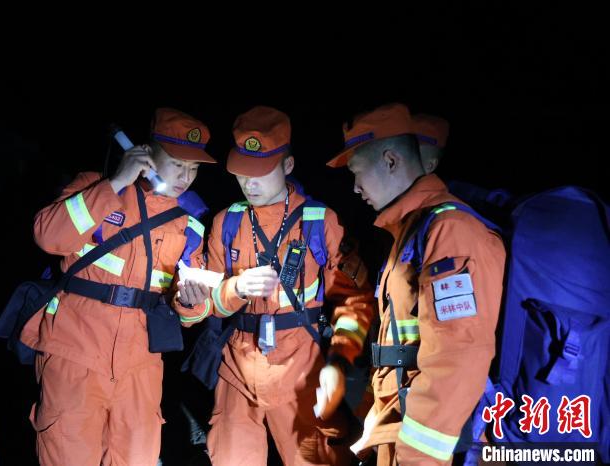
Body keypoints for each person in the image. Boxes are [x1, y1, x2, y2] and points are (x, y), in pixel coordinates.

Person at [180, 105, 375, 465]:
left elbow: (354, 302)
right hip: (237, 371)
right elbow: (209, 305)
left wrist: (339, 360)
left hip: (303, 373)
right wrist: (235, 289)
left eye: (260, 172)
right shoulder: (226, 222)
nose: (249, 182)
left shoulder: (320, 222)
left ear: (288, 165)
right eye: (242, 173)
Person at [20, 108, 216, 466]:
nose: (185, 177)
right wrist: (115, 183)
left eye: (193, 168)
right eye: (177, 163)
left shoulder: (190, 222)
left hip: (141, 365)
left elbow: (194, 314)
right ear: (147, 154)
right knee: (68, 453)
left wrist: (192, 303)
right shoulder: (95, 187)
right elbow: (48, 236)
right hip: (74, 351)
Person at [324, 103, 506, 465]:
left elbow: (458, 358)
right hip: (399, 424)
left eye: (357, 172)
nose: (355, 188)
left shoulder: (450, 232)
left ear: (391, 161)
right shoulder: (412, 231)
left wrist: (416, 456)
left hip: (429, 444)